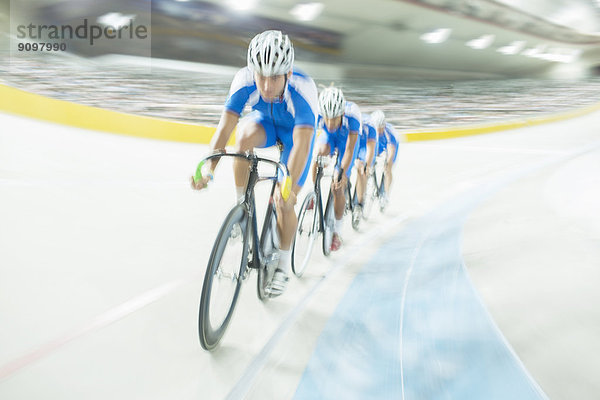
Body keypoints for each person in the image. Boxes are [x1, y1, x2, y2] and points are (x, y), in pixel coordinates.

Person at [190, 30, 318, 297]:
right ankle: (242, 208)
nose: (267, 86)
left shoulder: (303, 91)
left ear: (288, 74)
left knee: (285, 202)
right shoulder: (243, 81)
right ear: (252, 72)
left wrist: (288, 189)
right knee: (242, 139)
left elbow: (303, 145)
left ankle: (282, 266)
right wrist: (209, 170)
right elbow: (224, 128)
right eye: (261, 76)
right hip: (266, 125)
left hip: (296, 135)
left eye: (274, 78)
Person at [310, 85, 361, 251]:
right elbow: (309, 141)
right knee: (317, 155)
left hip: (346, 141)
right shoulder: (316, 114)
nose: (330, 123)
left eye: (334, 118)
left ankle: (337, 232)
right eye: (327, 118)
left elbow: (350, 150)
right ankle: (314, 193)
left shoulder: (353, 115)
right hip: (330, 138)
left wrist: (342, 172)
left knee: (338, 186)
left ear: (342, 114)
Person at [370, 110, 398, 195]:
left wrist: (388, 162)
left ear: (384, 126)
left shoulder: (389, 133)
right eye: (377, 128)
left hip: (389, 144)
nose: (379, 131)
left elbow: (391, 151)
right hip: (377, 143)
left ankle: (386, 193)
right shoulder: (370, 129)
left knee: (388, 168)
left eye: (381, 128)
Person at [354, 112, 378, 212]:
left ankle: (360, 203)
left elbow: (370, 149)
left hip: (366, 144)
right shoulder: (350, 123)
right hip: (355, 140)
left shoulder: (370, 126)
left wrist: (366, 165)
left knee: (362, 169)